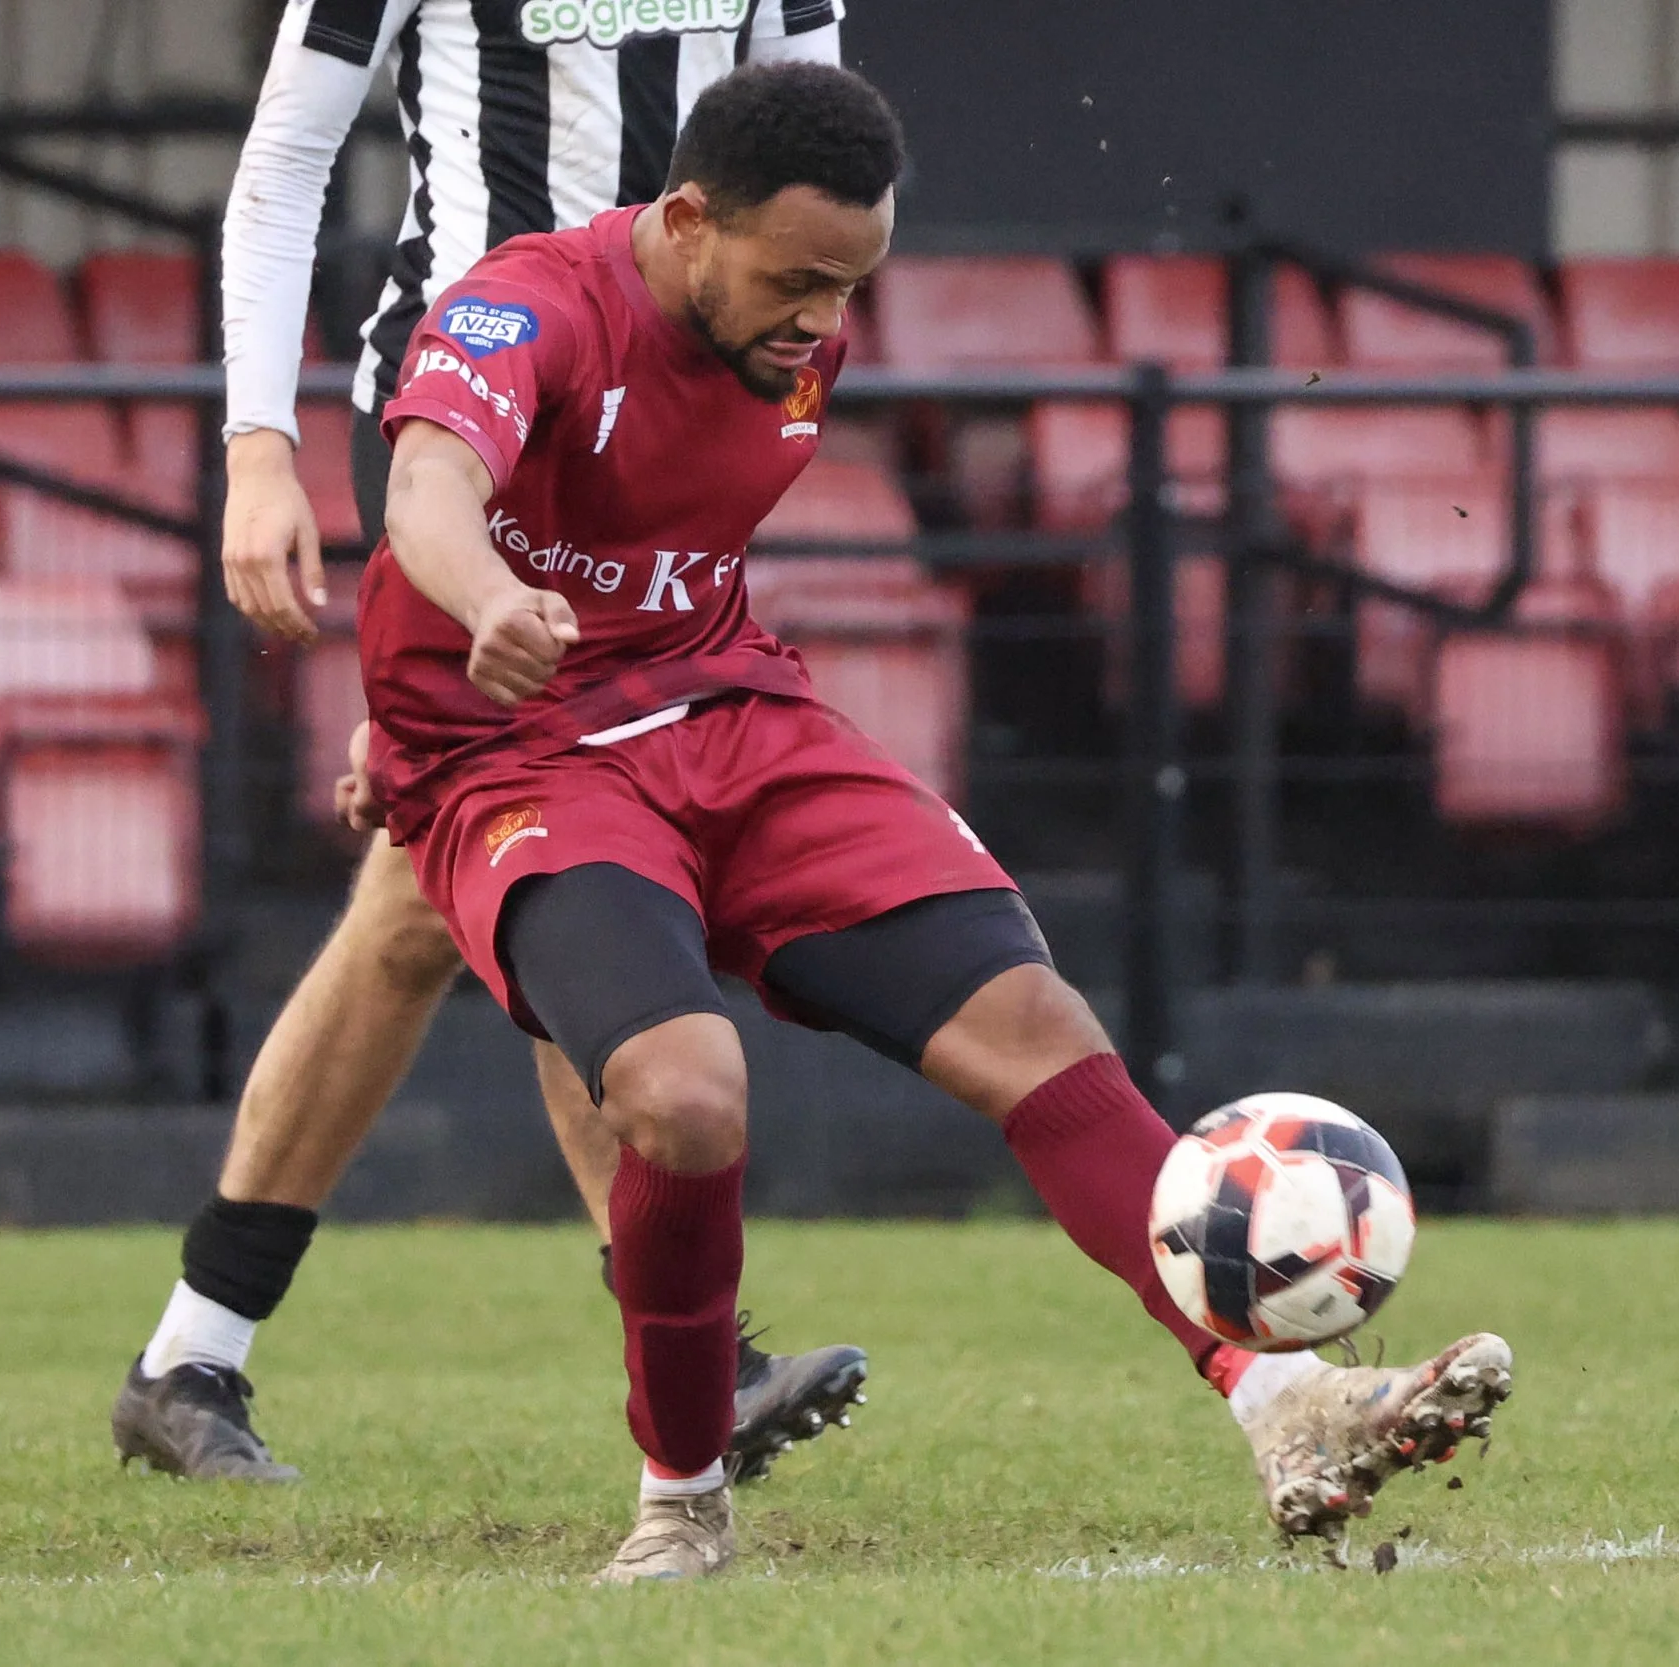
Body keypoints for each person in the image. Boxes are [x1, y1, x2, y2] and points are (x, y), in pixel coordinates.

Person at [361, 59, 1515, 1584]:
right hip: (520, 754)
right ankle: (684, 1498)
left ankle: (1288, 1400)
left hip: (729, 711)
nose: (820, 321)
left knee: (1035, 1019)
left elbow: (672, 529)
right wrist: (487, 599)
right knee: (687, 1095)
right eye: (793, 280)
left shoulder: (788, 333)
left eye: (851, 284)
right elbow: (429, 484)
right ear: (687, 219)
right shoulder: (534, 304)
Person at [112, 0, 867, 1486]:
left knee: (430, 904)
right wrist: (255, 447)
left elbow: (820, 152)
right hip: (467, 423)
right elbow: (286, 162)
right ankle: (694, 1361)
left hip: (665, 425)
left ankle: (193, 1350)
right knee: (556, 842)